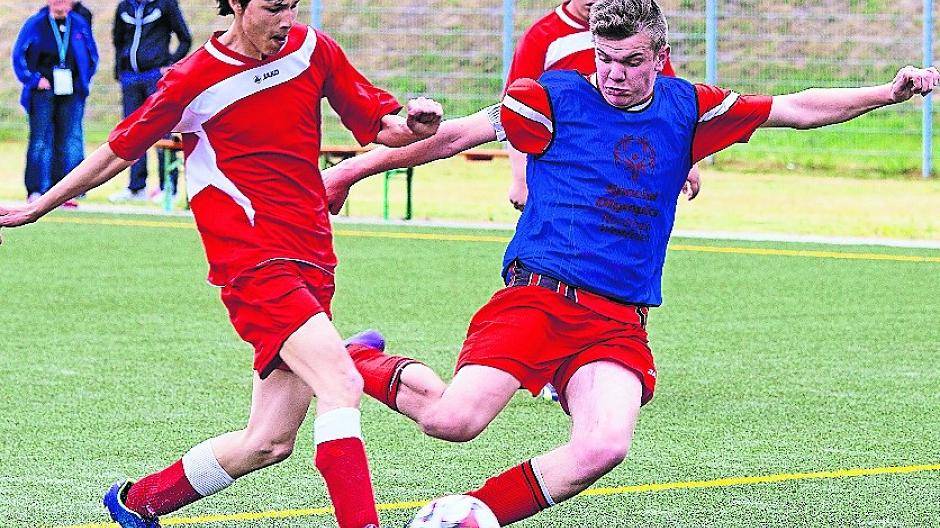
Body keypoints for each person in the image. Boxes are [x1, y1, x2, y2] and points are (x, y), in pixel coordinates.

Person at [322, 0, 939, 525]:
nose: (614, 74)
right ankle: (358, 362)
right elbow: (452, 137)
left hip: (618, 319)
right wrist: (350, 169)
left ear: (658, 56)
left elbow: (797, 110)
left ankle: (471, 514)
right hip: (538, 296)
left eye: (631, 61)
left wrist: (889, 92)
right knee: (453, 422)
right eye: (605, 59)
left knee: (604, 445)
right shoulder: (550, 97)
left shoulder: (688, 108)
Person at [0, 0, 443, 527]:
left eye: (293, 6)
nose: (286, 20)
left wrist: (414, 125)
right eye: (273, 7)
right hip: (252, 263)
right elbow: (119, 151)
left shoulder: (313, 50)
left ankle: (140, 501)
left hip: (313, 259)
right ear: (236, 4)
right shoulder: (194, 76)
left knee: (269, 441)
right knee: (340, 383)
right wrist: (38, 204)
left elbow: (380, 126)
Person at [504, 0, 695, 212]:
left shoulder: (638, 34)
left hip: (628, 173)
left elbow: (670, 103)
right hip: (563, 173)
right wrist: (521, 178)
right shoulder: (541, 37)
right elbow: (516, 111)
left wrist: (687, 160)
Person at [12, 0, 98, 207]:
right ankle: (35, 190)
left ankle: (59, 193)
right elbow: (18, 56)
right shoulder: (35, 24)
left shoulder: (78, 23)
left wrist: (82, 81)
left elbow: (92, 55)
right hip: (43, 93)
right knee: (40, 142)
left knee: (66, 142)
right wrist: (34, 80)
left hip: (71, 92)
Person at [108, 0, 192, 203]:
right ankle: (136, 186)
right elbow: (118, 40)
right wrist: (121, 70)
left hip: (156, 76)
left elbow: (185, 39)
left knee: (162, 130)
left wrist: (169, 65)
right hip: (131, 79)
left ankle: (167, 187)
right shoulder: (124, 7)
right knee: (132, 132)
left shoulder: (165, 4)